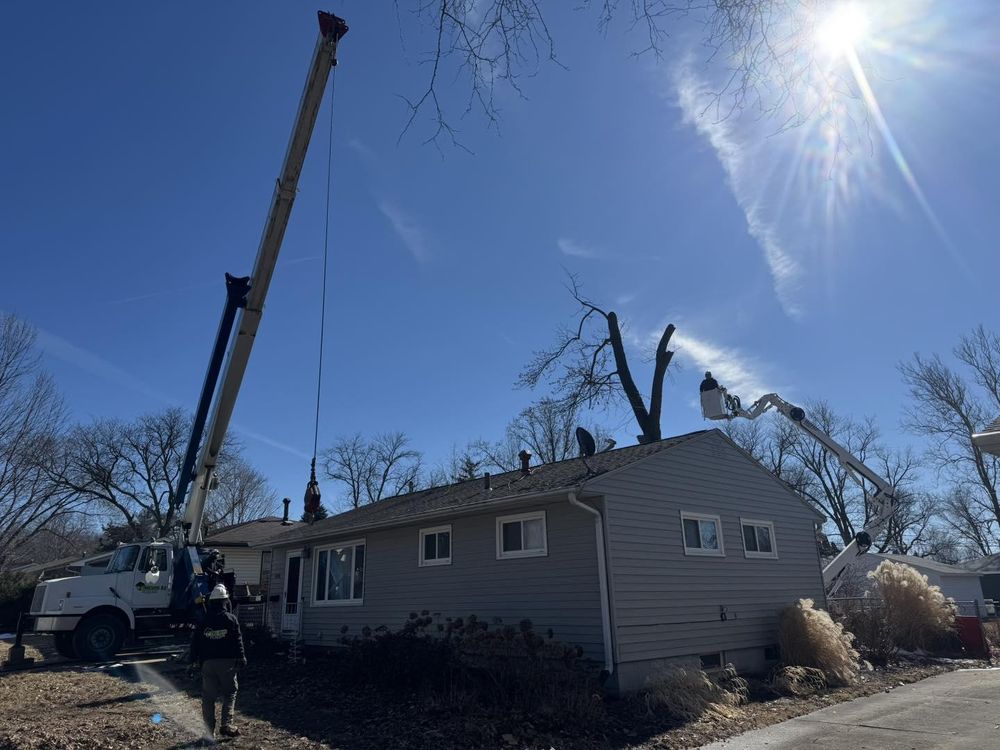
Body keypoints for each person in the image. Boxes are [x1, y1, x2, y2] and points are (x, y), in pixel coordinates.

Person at [189, 583, 246, 742]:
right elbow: (238, 640)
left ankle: (209, 731)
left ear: (211, 602)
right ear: (225, 601)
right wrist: (242, 657)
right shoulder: (231, 619)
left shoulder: (203, 621)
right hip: (228, 664)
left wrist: (192, 661)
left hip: (208, 664)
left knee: (208, 698)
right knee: (230, 692)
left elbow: (195, 642)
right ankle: (227, 724)